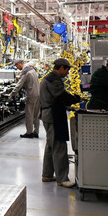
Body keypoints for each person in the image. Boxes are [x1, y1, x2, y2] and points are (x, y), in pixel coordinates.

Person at [39, 58, 81, 188]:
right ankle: (62, 179)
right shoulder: (53, 80)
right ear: (61, 67)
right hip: (53, 115)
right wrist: (76, 99)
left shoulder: (49, 78)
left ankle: (47, 174)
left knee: (50, 146)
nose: (67, 73)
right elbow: (61, 95)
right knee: (59, 146)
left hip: (49, 114)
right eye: (67, 70)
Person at [9, 59, 40, 138]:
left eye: (16, 66)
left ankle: (29, 133)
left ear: (20, 64)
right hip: (38, 94)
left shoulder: (25, 71)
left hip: (31, 95)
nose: (16, 68)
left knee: (29, 113)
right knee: (36, 114)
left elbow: (19, 85)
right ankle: (36, 132)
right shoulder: (32, 70)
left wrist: (12, 94)